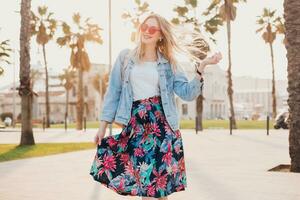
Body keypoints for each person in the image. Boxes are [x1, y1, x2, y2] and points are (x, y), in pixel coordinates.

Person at [89, 13, 222, 200]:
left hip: (162, 128)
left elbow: (187, 93)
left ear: (160, 35)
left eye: (152, 29)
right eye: (144, 26)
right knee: (145, 186)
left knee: (158, 188)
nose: (147, 31)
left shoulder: (169, 62)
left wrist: (201, 69)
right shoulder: (125, 57)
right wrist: (102, 127)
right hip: (136, 127)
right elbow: (113, 92)